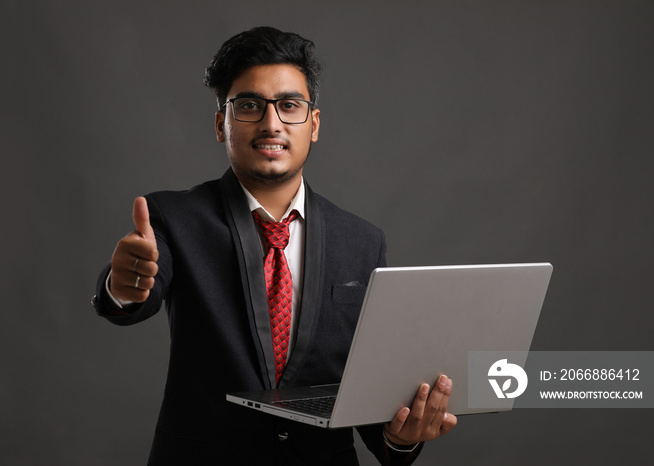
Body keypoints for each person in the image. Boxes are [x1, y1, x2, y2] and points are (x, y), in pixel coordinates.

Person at [91, 26, 457, 465]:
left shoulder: (362, 241)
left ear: (314, 124)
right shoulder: (171, 218)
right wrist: (124, 287)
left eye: (289, 105)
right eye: (248, 105)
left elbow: (368, 389)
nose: (271, 123)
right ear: (220, 124)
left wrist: (401, 436)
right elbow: (136, 295)